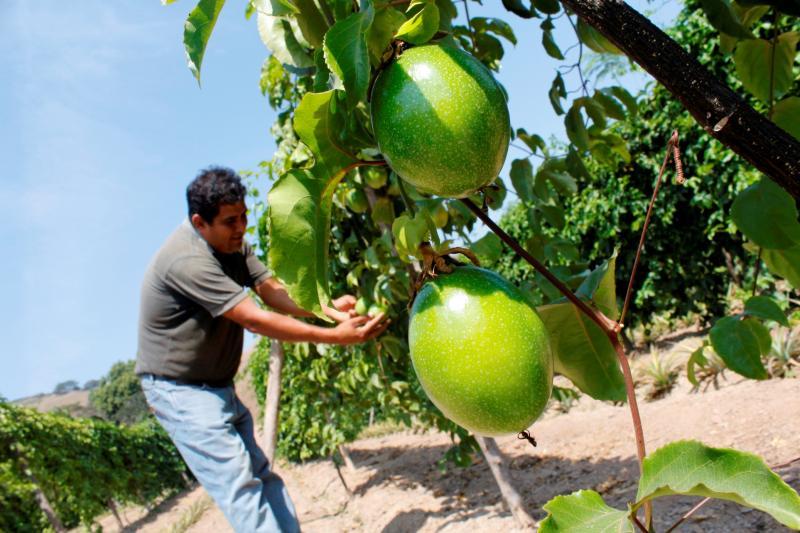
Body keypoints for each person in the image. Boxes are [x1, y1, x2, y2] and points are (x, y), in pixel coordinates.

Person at [135, 167, 389, 532]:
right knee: (240, 486)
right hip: (180, 390)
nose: (240, 227)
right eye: (229, 221)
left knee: (261, 476)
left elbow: (270, 290)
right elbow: (253, 318)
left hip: (216, 385)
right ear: (199, 223)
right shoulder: (187, 261)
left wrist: (325, 307)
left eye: (243, 216)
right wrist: (333, 336)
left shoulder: (232, 244)